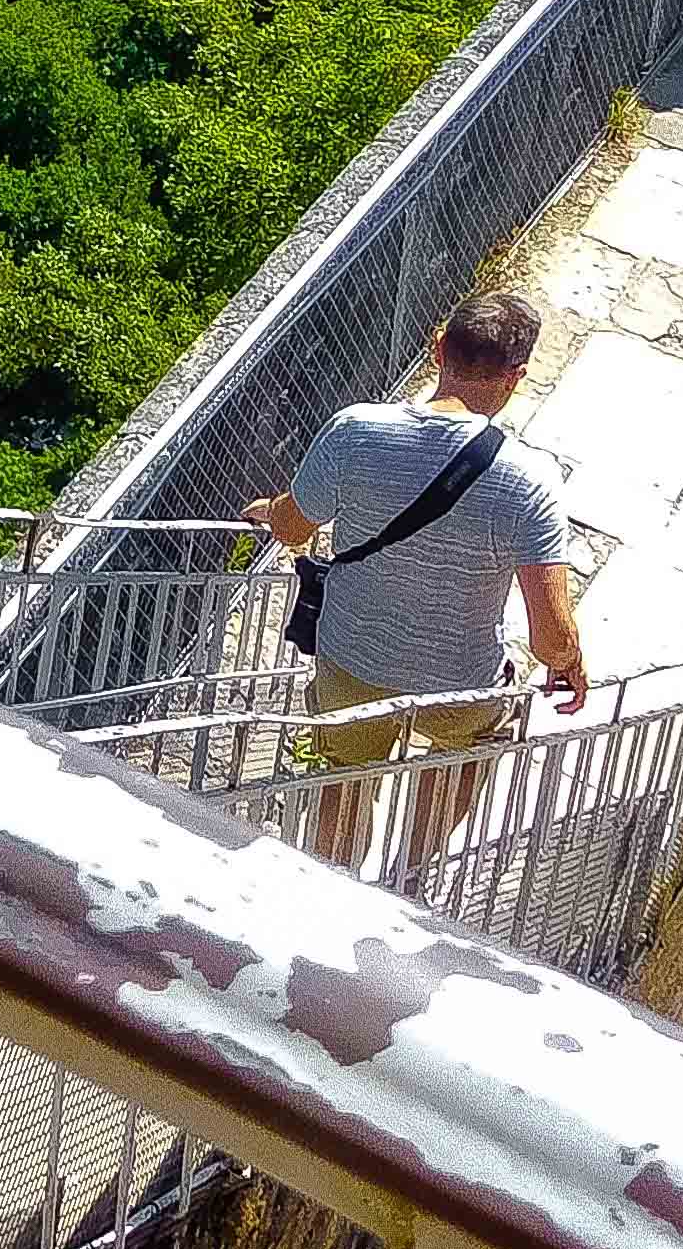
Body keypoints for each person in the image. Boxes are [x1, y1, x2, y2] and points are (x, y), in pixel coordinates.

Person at [245, 290, 584, 877]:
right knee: (464, 756)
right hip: (459, 682)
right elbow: (550, 637)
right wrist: (569, 661)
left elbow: (294, 528)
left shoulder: (354, 431)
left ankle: (334, 882)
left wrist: (270, 510)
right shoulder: (530, 480)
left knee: (342, 784)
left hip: (351, 659)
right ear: (516, 376)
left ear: (438, 348)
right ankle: (409, 875)